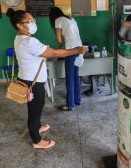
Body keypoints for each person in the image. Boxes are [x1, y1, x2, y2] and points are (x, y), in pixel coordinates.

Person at [7, 8, 86, 149]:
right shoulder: (29, 42)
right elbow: (55, 52)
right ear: (19, 25)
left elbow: (42, 52)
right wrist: (76, 50)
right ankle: (37, 141)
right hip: (32, 82)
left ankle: (37, 127)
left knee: (37, 105)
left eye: (33, 20)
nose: (33, 23)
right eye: (29, 21)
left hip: (29, 79)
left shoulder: (20, 38)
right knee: (34, 110)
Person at [49, 7, 83, 111]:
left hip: (70, 50)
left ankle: (70, 105)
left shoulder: (57, 20)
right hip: (80, 48)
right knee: (75, 75)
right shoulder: (71, 19)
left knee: (69, 78)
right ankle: (77, 99)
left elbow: (59, 39)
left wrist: (59, 48)